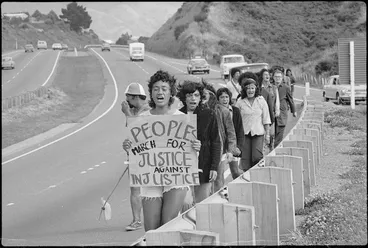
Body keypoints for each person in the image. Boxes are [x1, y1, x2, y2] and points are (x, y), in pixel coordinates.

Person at [122, 70, 202, 232]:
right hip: (151, 178)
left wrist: (196, 148)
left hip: (176, 177)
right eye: (156, 88)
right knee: (151, 230)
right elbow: (136, 153)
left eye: (164, 89)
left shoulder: (182, 118)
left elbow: (191, 154)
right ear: (151, 93)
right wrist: (128, 148)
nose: (160, 92)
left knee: (167, 224)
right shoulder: (142, 118)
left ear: (171, 92)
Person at [177, 80, 221, 205]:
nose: (193, 99)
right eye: (189, 95)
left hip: (204, 165)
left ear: (200, 97)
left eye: (196, 95)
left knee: (202, 205)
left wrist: (214, 167)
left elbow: (216, 142)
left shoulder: (209, 114)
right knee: (185, 203)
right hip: (182, 167)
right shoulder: (177, 115)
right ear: (184, 98)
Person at [121, 82, 150, 231]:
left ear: (136, 97)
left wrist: (127, 113)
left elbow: (136, 127)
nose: (126, 102)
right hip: (135, 155)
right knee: (135, 189)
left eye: (128, 99)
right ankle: (136, 220)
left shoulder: (148, 110)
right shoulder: (134, 111)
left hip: (150, 155)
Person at [201, 80, 239, 192]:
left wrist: (230, 151)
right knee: (203, 182)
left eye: (206, 96)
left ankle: (217, 203)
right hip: (202, 152)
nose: (204, 99)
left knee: (218, 180)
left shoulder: (223, 111)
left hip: (220, 151)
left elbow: (231, 133)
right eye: (202, 96)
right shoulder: (196, 111)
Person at [235, 78, 271, 172]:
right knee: (245, 159)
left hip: (258, 133)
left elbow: (266, 118)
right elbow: (235, 120)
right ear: (244, 90)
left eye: (252, 88)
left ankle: (258, 175)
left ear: (256, 89)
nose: (250, 90)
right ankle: (247, 177)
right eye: (248, 88)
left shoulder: (261, 100)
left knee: (257, 157)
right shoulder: (240, 102)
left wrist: (267, 135)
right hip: (244, 134)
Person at [216, 87, 244, 179]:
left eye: (226, 97)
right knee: (220, 175)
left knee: (235, 172)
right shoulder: (216, 111)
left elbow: (239, 130)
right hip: (222, 147)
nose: (225, 99)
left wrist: (238, 146)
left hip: (233, 145)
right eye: (222, 97)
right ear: (218, 99)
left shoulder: (235, 111)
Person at [273, 68, 297, 148]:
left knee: (280, 133)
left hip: (282, 113)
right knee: (273, 133)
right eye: (276, 77)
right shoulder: (271, 88)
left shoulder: (286, 87)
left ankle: (276, 150)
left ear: (282, 77)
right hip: (272, 114)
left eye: (279, 77)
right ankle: (273, 149)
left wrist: (294, 111)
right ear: (273, 77)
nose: (277, 78)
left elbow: (290, 99)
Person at [258, 68, 280, 151]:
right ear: (262, 76)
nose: (267, 76)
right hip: (261, 114)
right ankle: (262, 149)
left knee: (271, 134)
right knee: (262, 133)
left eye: (268, 75)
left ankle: (271, 149)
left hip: (271, 114)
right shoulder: (259, 88)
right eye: (265, 75)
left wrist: (277, 110)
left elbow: (277, 100)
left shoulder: (274, 88)